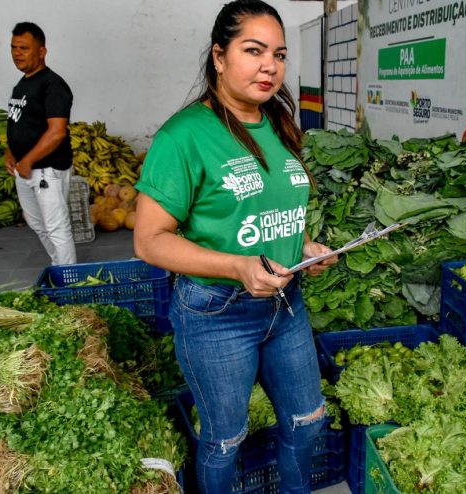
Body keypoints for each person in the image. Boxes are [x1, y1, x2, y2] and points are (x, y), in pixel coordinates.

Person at [134, 1, 338, 492]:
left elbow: (266, 214)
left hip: (286, 306)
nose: (270, 65)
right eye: (253, 50)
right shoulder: (183, 137)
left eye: (280, 54)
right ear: (219, 57)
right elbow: (149, 241)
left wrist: (305, 244)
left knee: (308, 421)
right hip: (216, 314)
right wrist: (237, 265)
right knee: (225, 440)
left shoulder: (281, 126)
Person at [5, 22, 76, 266]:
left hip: (47, 170)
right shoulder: (22, 84)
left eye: (23, 47)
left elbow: (56, 132)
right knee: (37, 223)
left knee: (57, 227)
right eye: (13, 47)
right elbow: (18, 121)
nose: (17, 53)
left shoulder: (52, 84)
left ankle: (68, 281)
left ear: (42, 51)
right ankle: (59, 266)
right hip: (25, 169)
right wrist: (10, 152)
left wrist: (29, 160)